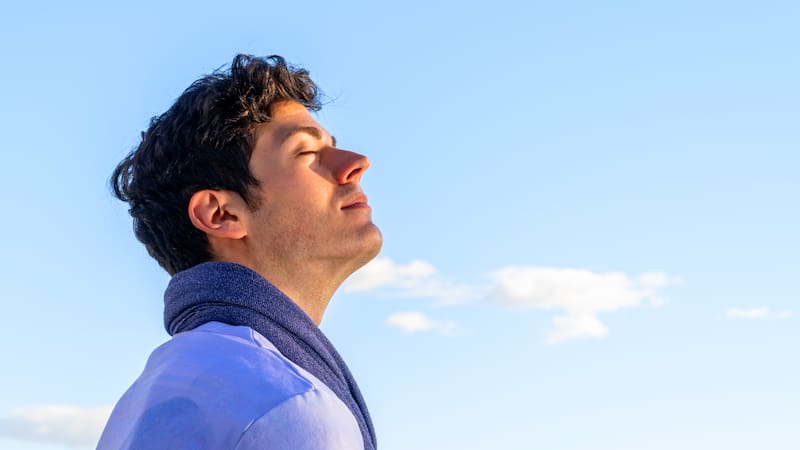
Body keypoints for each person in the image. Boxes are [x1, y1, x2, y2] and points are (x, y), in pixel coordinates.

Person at [97, 54, 382, 450]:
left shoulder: (156, 393)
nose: (357, 163)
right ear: (222, 213)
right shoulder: (286, 406)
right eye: (305, 153)